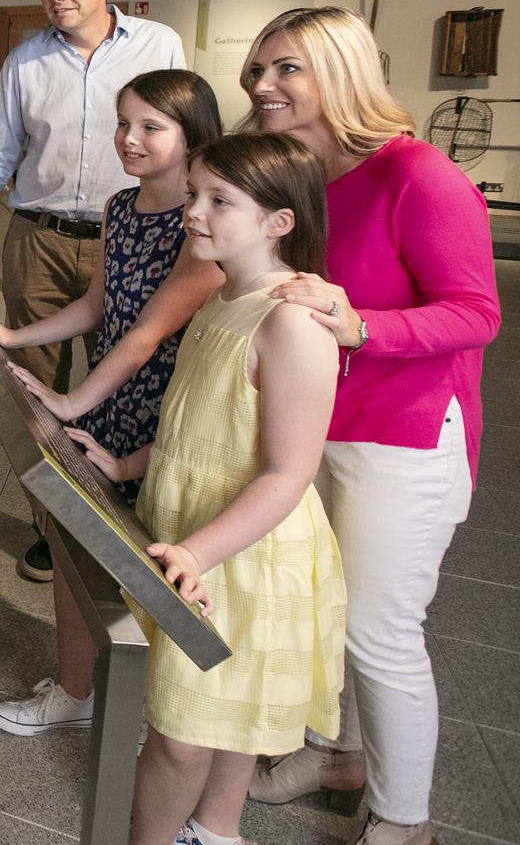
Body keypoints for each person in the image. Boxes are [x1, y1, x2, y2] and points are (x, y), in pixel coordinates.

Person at [241, 7, 501, 845]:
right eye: (257, 69)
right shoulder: (311, 180)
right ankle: (340, 754)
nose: (262, 85)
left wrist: (363, 327)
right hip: (326, 422)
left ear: (340, 74)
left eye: (286, 69)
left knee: (380, 629)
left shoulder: (419, 174)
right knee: (329, 605)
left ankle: (405, 818)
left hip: (408, 431)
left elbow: (475, 312)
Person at [69, 132, 347, 845]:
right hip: (197, 525)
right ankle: (214, 830)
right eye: (194, 194)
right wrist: (128, 466)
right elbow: (203, 419)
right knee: (220, 712)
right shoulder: (225, 293)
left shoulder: (292, 323)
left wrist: (198, 549)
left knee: (184, 732)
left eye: (219, 200)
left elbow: (288, 472)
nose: (194, 212)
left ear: (279, 222)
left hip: (240, 549)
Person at [0, 0, 185, 583]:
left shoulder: (159, 47)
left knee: (133, 381)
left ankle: (128, 516)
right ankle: (54, 530)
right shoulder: (25, 62)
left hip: (137, 238)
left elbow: (188, 137)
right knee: (35, 389)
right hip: (40, 239)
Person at [0, 69, 226, 736]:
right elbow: (96, 306)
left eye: (150, 127)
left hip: (162, 415)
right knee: (77, 553)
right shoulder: (119, 207)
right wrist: (15, 334)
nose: (128, 140)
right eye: (122, 123)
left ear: (192, 137)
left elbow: (146, 336)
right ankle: (76, 690)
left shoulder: (203, 227)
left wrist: (70, 401)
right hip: (111, 398)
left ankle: (160, 719)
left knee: (157, 565)